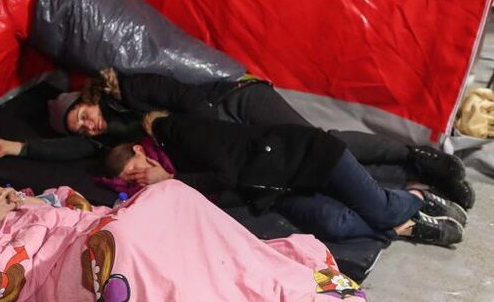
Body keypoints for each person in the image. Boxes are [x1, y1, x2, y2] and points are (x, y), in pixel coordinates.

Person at [0, 69, 474, 209]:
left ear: (88, 99)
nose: (86, 127)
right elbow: (73, 151)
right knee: (310, 165)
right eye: (79, 128)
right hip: (228, 138)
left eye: (81, 116)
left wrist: (222, 141)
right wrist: (17, 148)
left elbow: (191, 102)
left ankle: (418, 157)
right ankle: (408, 179)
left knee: (316, 142)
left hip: (234, 105)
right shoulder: (118, 133)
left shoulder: (132, 89)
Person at [101, 110, 467, 246]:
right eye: (129, 180)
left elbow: (224, 175)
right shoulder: (172, 180)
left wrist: (171, 180)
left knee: (380, 209)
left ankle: (419, 200)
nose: (138, 178)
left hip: (308, 155)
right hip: (278, 189)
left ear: (139, 150)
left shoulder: (177, 132)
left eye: (133, 169)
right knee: (336, 225)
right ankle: (408, 226)